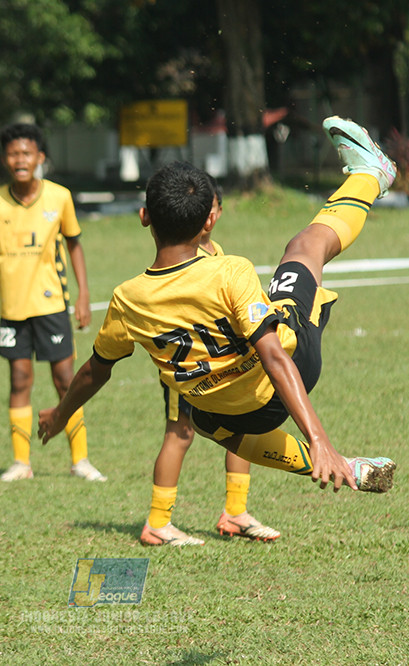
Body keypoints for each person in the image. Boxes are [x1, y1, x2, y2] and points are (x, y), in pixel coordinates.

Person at [39, 117, 397, 530]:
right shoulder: (230, 271)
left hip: (229, 417)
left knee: (204, 419)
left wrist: (61, 413)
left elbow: (93, 372)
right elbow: (273, 356)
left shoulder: (127, 299)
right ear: (209, 221)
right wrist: (319, 439)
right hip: (289, 375)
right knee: (305, 246)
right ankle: (371, 174)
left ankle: (346, 468)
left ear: (144, 217)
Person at [142, 174, 281, 547]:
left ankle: (235, 512)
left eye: (213, 205)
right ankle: (158, 522)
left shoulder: (216, 253)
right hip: (190, 366)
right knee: (180, 433)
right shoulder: (180, 256)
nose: (209, 213)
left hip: (223, 365)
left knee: (245, 425)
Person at [0, 123, 105, 482]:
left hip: (52, 306)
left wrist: (83, 294)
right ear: (4, 159)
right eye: (13, 154)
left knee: (65, 380)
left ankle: (80, 460)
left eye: (26, 153)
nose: (20, 160)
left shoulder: (59, 197)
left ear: (40, 157)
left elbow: (74, 245)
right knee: (19, 380)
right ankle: (21, 463)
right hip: (13, 309)